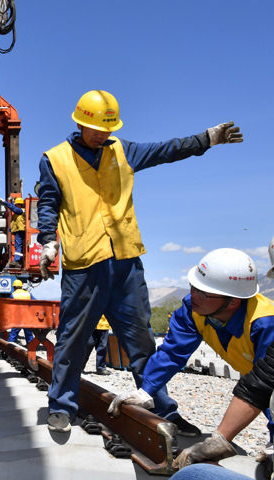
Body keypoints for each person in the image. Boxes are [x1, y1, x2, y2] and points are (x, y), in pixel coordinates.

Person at [37, 89, 243, 433]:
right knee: (73, 337)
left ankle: (161, 408)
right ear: (80, 122)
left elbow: (166, 150)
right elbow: (47, 203)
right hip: (84, 265)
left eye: (108, 129)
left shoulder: (122, 150)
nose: (103, 135)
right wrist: (47, 241)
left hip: (126, 263)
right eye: (97, 129)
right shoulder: (55, 159)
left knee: (141, 339)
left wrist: (206, 139)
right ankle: (61, 405)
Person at [108, 249, 274, 441]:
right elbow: (172, 353)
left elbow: (265, 384)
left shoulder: (264, 325)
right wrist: (146, 391)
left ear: (233, 302)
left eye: (203, 293)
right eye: (192, 287)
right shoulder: (193, 310)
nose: (193, 295)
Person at [0, 197, 25, 268]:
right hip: (18, 230)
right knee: (18, 245)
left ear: (18, 204)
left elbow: (14, 209)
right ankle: (17, 260)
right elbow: (14, 208)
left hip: (20, 230)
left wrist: (5, 202)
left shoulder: (21, 211)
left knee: (18, 246)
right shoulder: (20, 210)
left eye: (16, 204)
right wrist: (12, 201)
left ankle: (17, 260)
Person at [7, 280, 35, 345]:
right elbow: (35, 303)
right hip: (27, 317)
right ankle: (31, 348)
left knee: (14, 333)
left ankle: (10, 346)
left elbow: (10, 307)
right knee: (29, 334)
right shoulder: (28, 294)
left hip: (18, 317)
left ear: (14, 287)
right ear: (21, 286)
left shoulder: (13, 295)